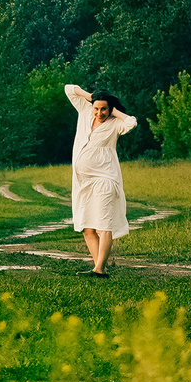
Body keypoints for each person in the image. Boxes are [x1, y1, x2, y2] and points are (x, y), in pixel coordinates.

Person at [64, 82, 139, 275]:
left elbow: (132, 122)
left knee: (103, 224)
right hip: (83, 182)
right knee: (87, 227)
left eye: (104, 109)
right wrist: (91, 97)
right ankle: (100, 266)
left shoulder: (115, 124)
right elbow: (68, 88)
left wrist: (116, 112)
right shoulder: (84, 112)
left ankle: (99, 269)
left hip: (105, 179)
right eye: (97, 108)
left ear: (109, 108)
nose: (99, 113)